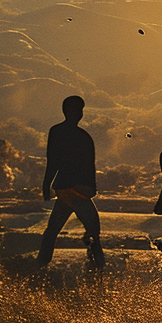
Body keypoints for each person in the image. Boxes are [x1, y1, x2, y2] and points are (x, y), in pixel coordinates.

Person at [37, 95, 104, 269]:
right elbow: (87, 166)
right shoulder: (82, 137)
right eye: (78, 109)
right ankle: (98, 268)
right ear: (71, 111)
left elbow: (53, 161)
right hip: (77, 191)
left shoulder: (58, 132)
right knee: (93, 231)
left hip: (67, 189)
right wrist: (91, 189)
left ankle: (41, 265)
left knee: (53, 230)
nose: (80, 113)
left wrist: (47, 185)